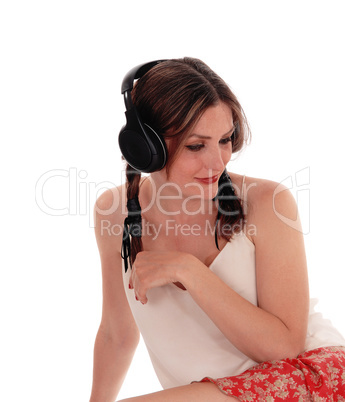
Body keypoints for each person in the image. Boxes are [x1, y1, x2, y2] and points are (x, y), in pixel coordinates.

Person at [89, 58, 345, 402]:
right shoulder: (115, 213)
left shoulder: (268, 203)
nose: (218, 162)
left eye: (225, 140)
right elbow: (116, 334)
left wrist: (188, 269)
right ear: (145, 147)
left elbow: (285, 348)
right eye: (196, 146)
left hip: (305, 379)